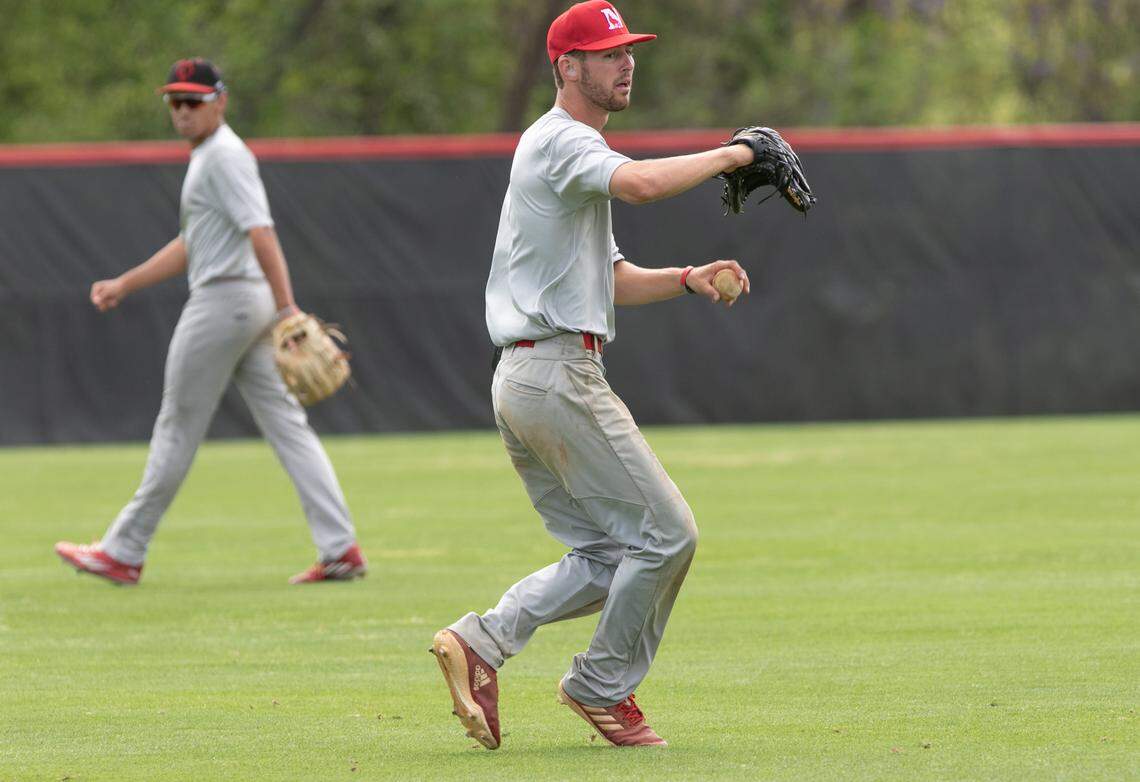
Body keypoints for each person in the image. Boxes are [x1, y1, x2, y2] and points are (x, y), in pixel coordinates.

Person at [430, 0, 754, 749]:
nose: (625, 62)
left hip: (525, 377)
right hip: (556, 375)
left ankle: (481, 640)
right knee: (667, 534)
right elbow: (639, 185)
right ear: (566, 67)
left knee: (608, 557)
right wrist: (734, 154)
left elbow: (607, 279)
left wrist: (686, 277)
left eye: (627, 50)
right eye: (607, 53)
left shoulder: (558, 152)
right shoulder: (562, 142)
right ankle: (601, 685)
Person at [54, 59, 366, 586]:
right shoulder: (210, 158)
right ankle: (339, 547)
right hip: (244, 301)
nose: (182, 111)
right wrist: (125, 283)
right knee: (287, 425)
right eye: (174, 101)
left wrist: (289, 308)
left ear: (220, 101)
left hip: (225, 303)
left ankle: (124, 550)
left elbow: (261, 232)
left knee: (177, 425)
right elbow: (191, 244)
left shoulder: (223, 156)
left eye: (193, 101)